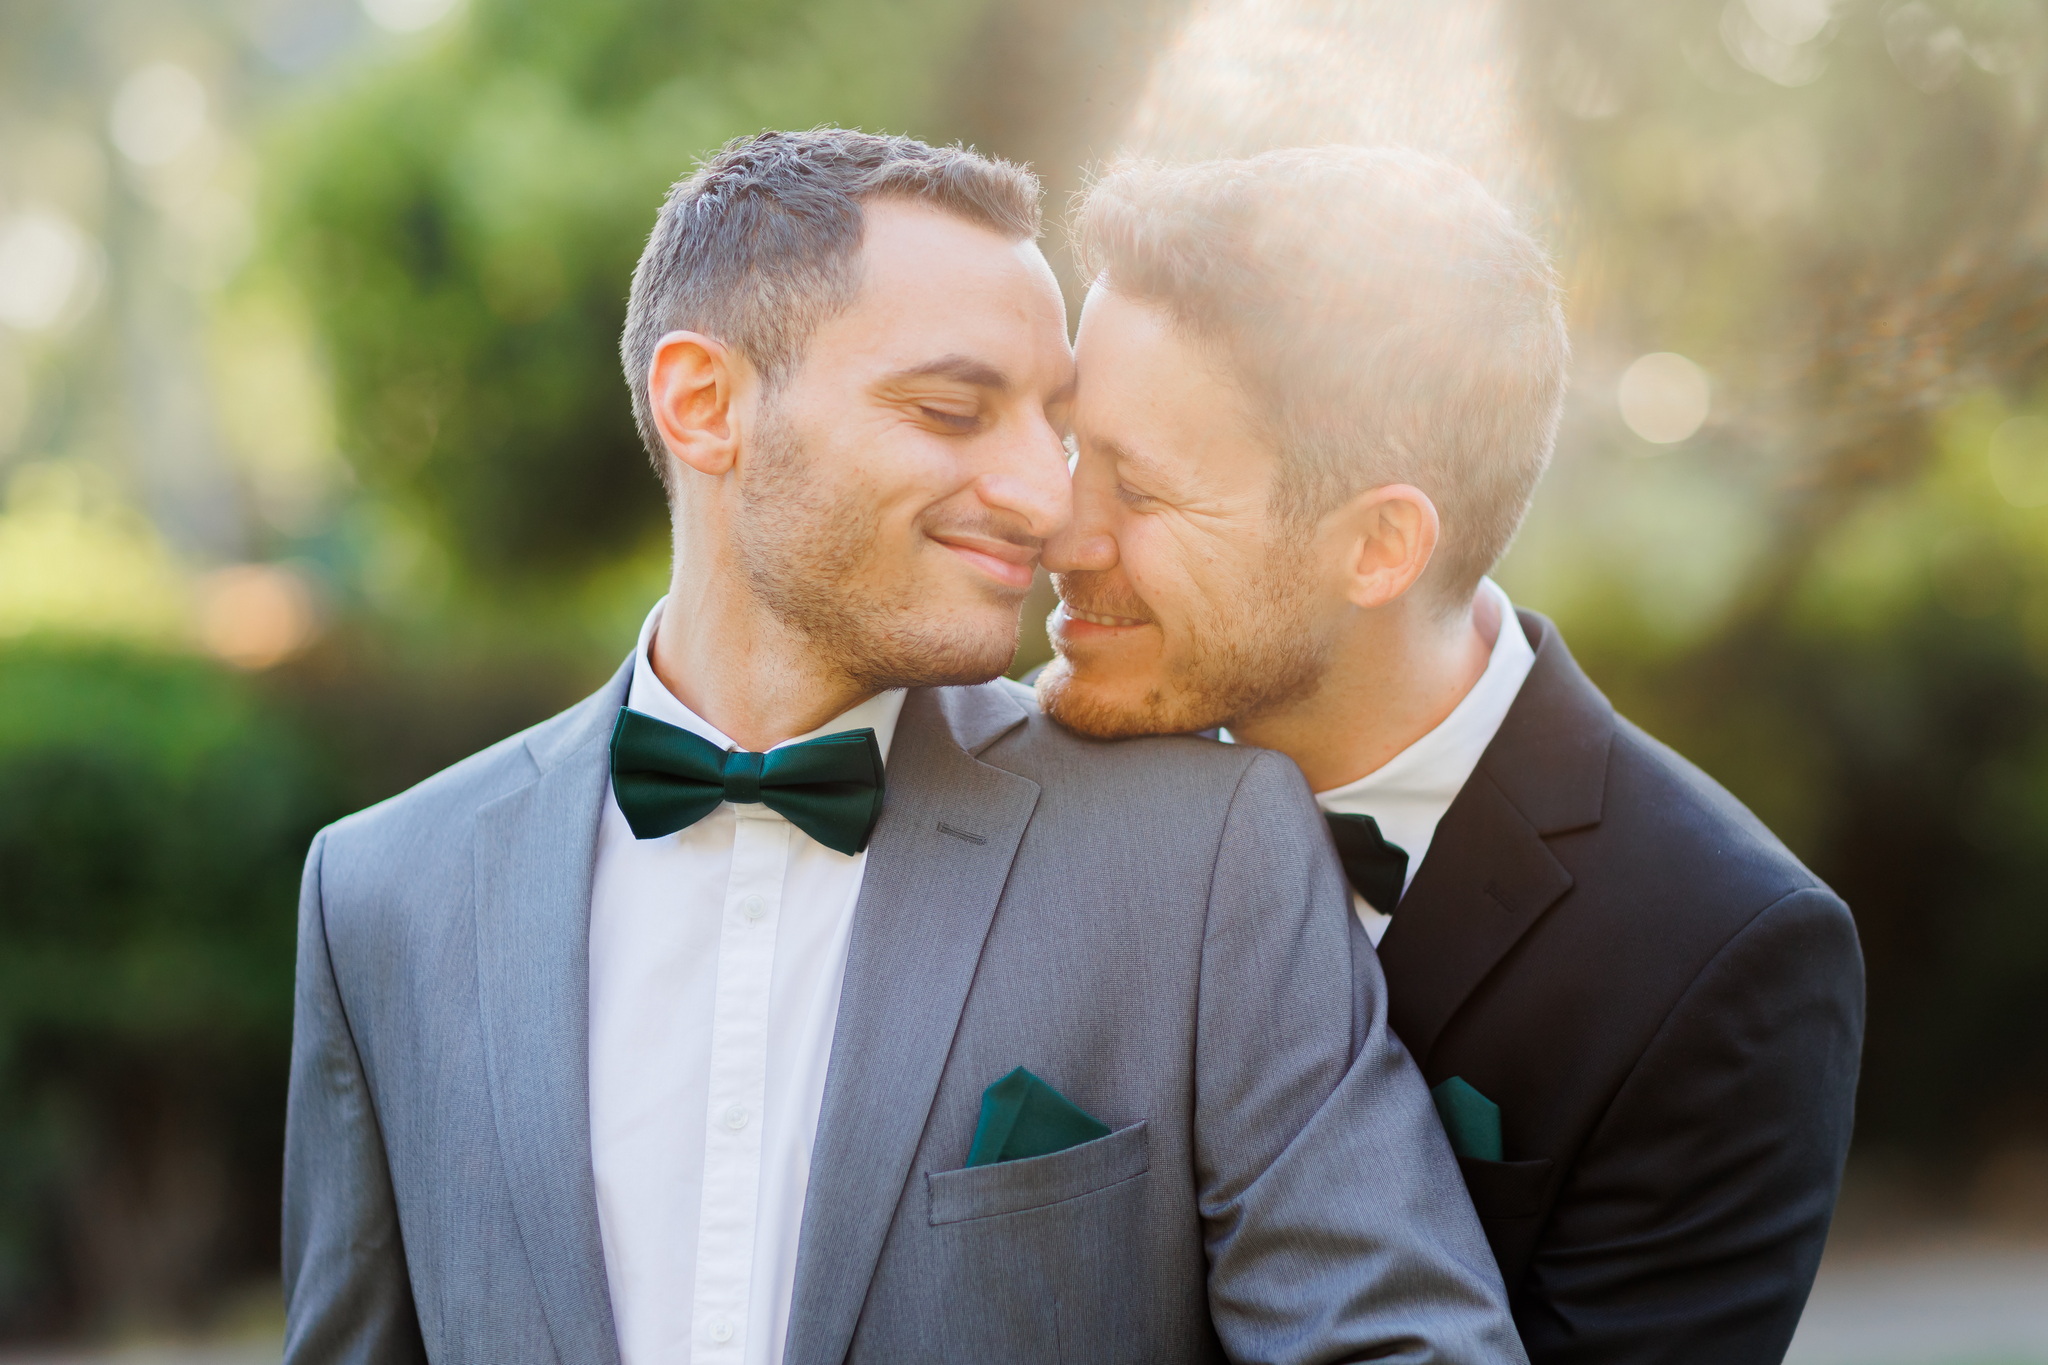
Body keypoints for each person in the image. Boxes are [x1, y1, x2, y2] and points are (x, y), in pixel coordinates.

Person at [280, 129, 1524, 1365]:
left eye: (1056, 427)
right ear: (704, 404)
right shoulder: (383, 896)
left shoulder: (1204, 859)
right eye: (950, 410)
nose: (1046, 503)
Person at [1037, 146, 1865, 1364]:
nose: (1055, 527)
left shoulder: (1719, 955)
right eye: (1070, 449)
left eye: (1140, 492)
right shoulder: (1007, 783)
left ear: (1377, 546)